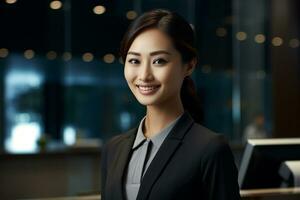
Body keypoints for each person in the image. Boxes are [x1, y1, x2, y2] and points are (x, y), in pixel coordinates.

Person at [100, 9, 241, 200]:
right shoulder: (113, 149)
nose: (144, 75)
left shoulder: (210, 149)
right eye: (134, 60)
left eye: (159, 61)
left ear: (189, 65)